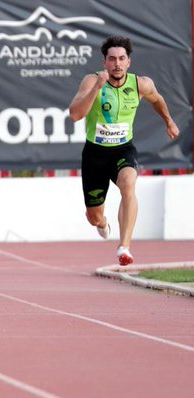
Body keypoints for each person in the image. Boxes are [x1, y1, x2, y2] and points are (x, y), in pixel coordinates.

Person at [68, 36, 180, 266]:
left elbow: (157, 100)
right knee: (94, 217)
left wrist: (168, 121)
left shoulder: (140, 84)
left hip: (123, 150)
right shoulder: (91, 81)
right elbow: (75, 114)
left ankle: (124, 247)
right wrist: (98, 87)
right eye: (112, 59)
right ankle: (102, 223)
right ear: (104, 62)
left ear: (128, 62)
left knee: (128, 182)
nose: (117, 64)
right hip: (95, 155)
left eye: (121, 59)